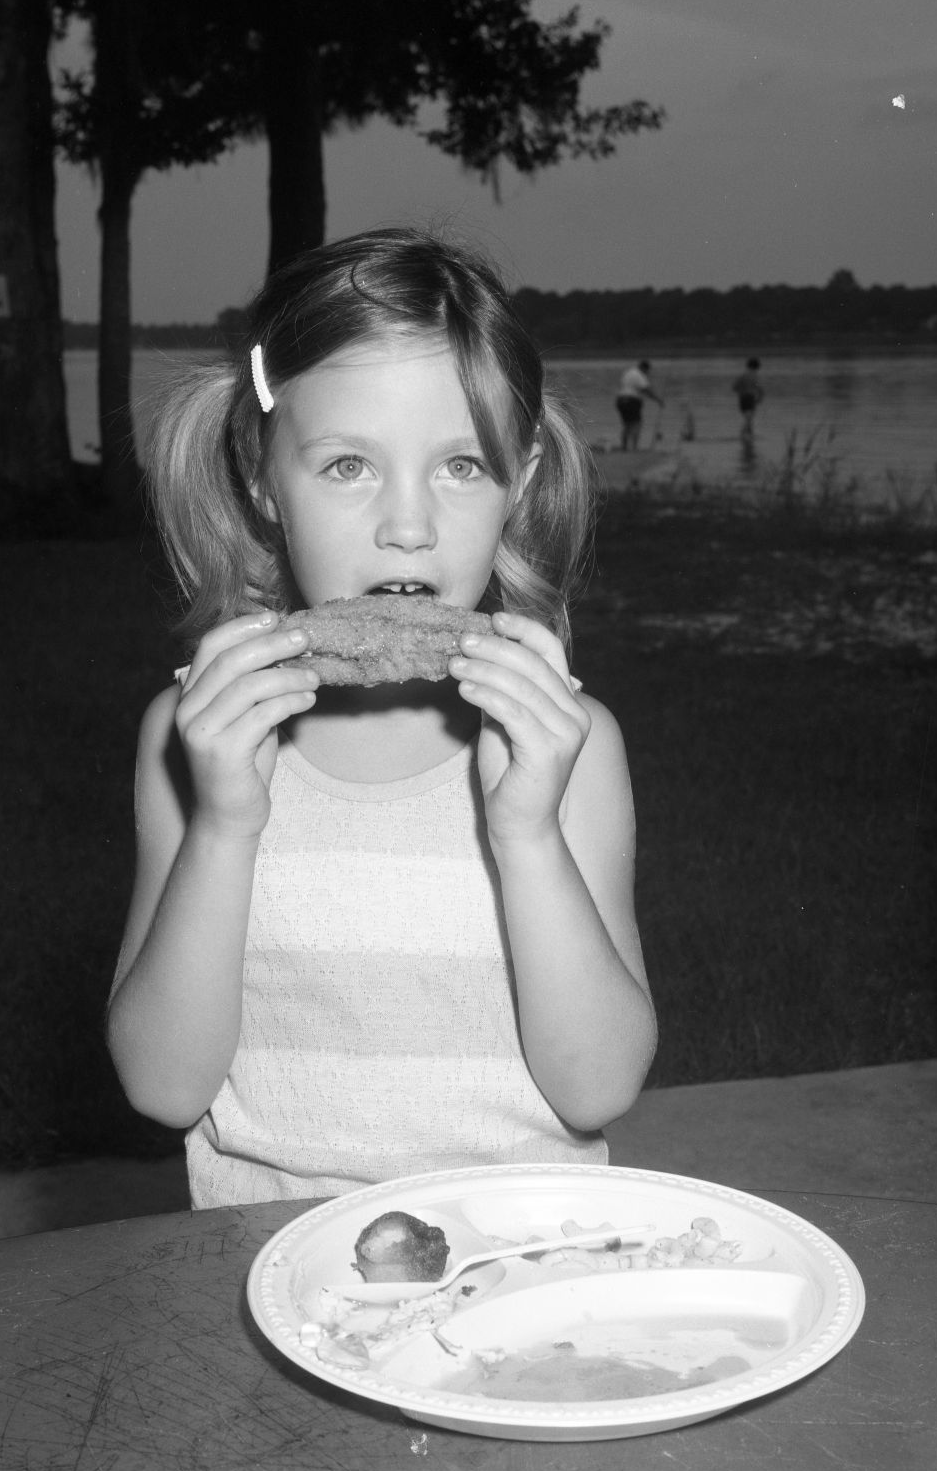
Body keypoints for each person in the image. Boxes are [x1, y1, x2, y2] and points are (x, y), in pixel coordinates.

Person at [107, 227, 657, 1207]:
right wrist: (227, 823)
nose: (409, 522)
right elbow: (161, 1083)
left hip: (525, 1259)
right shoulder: (195, 736)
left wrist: (525, 833)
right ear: (259, 472)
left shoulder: (567, 744)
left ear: (519, 478)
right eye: (348, 466)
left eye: (460, 466)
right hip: (265, 1274)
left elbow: (600, 1085)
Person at [615, 359, 664, 451]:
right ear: (644, 368)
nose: (647, 373)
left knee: (627, 424)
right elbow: (646, 390)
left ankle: (624, 447)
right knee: (636, 424)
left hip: (620, 400)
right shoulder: (639, 375)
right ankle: (634, 448)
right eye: (647, 371)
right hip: (632, 401)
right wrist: (658, 400)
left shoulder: (628, 372)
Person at [732, 357, 764, 439]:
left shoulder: (742, 375)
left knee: (748, 418)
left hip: (742, 398)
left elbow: (734, 387)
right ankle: (742, 435)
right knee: (749, 419)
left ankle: (749, 436)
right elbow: (759, 388)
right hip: (750, 398)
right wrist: (760, 398)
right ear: (757, 367)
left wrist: (741, 391)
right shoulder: (754, 375)